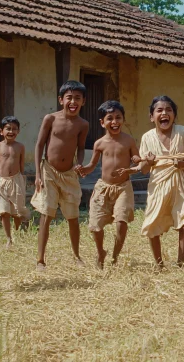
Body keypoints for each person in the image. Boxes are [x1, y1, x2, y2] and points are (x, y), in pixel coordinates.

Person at [139, 95, 184, 268]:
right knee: (152, 223)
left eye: (169, 110)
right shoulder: (147, 138)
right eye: (159, 110)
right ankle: (159, 264)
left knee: (183, 220)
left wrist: (183, 164)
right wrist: (148, 161)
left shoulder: (183, 132)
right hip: (158, 185)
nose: (164, 113)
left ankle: (180, 263)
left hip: (182, 182)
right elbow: (144, 169)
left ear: (174, 115)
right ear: (151, 116)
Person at [31, 80, 88, 270]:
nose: (73, 102)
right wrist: (38, 174)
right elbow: (39, 145)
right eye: (69, 98)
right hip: (49, 171)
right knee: (46, 214)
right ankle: (40, 259)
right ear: (61, 99)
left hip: (69, 174)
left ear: (83, 102)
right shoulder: (51, 119)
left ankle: (77, 256)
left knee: (73, 216)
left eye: (77, 98)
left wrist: (79, 163)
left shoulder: (83, 124)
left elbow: (80, 148)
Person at [78, 101, 140, 269]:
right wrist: (84, 169)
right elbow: (92, 165)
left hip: (123, 188)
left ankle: (115, 256)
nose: (114, 122)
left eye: (118, 118)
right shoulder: (99, 143)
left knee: (121, 222)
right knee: (95, 226)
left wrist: (135, 164)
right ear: (102, 122)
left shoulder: (128, 141)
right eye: (110, 118)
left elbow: (137, 161)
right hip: (103, 188)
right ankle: (100, 252)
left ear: (123, 119)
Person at [0, 116, 29, 249]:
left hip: (16, 180)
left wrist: (22, 178)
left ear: (18, 131)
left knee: (17, 211)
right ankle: (9, 239)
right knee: (4, 212)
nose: (11, 131)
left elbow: (21, 164)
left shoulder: (20, 147)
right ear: (1, 131)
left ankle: (18, 232)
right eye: (8, 129)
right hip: (2, 182)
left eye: (14, 129)